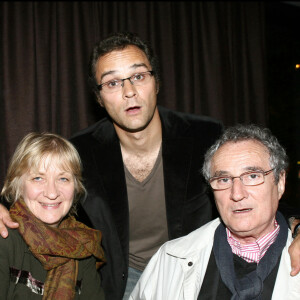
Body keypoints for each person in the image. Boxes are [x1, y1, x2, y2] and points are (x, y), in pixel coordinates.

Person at [0, 32, 299, 299]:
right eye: (113, 82)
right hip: (118, 282)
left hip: (189, 272)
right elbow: (41, 197)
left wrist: (297, 227)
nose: (129, 91)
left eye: (139, 76)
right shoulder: (83, 149)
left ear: (156, 83)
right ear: (99, 98)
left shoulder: (205, 136)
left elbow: (254, 188)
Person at [130, 124, 300, 299]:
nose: (237, 194)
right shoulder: (171, 259)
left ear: (280, 183)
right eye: (224, 179)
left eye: (252, 176)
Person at [0, 132, 105, 299]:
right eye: (38, 178)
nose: (52, 193)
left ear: (76, 187)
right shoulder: (4, 238)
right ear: (17, 184)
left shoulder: (84, 248)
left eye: (63, 179)